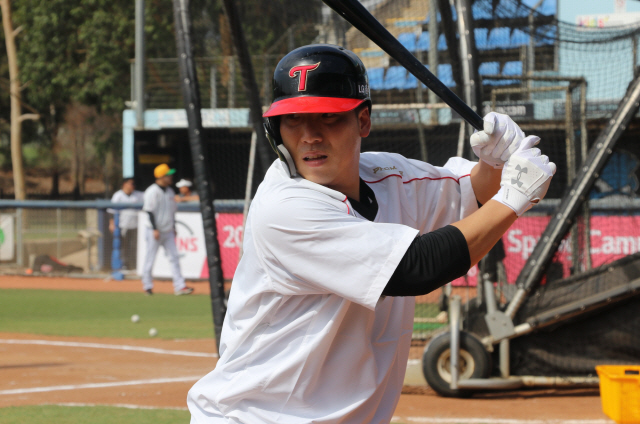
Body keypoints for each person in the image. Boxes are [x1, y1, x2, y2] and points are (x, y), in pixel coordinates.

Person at [188, 44, 555, 423]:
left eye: (328, 117)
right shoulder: (284, 208)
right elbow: (415, 269)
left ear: (362, 121)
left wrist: (494, 164)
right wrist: (514, 197)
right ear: (275, 128)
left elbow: (473, 194)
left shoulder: (389, 176)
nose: (309, 136)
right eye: (293, 119)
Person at [141, 163, 194, 296]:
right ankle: (147, 285)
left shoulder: (170, 191)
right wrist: (155, 229)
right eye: (168, 175)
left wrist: (174, 226)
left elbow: (172, 211)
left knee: (174, 257)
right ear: (160, 176)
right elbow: (149, 211)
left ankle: (179, 286)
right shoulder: (152, 191)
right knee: (150, 259)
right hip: (154, 230)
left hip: (168, 230)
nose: (170, 177)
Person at [108, 178, 144, 270]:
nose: (133, 185)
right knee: (123, 247)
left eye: (133, 184)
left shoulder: (138, 194)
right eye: (131, 183)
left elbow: (150, 197)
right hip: (123, 225)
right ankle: (123, 266)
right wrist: (112, 224)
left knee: (134, 247)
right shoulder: (118, 195)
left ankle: (134, 265)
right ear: (125, 184)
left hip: (135, 226)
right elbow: (111, 211)